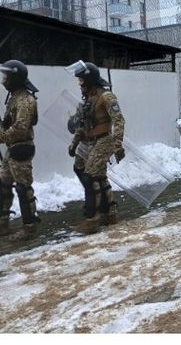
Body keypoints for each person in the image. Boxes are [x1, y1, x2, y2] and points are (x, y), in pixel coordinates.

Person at [0, 60, 41, 240]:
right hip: (13, 149)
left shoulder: (26, 99)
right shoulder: (15, 97)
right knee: (4, 184)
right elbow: (9, 123)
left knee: (23, 188)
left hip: (21, 148)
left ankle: (29, 227)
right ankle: (3, 223)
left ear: (14, 78)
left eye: (5, 76)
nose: (3, 80)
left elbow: (20, 129)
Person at [67, 60, 125, 235]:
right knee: (87, 171)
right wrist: (75, 143)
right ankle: (110, 212)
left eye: (81, 80)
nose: (79, 84)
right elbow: (83, 126)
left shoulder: (106, 96)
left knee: (91, 176)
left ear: (89, 79)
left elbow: (118, 119)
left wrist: (117, 144)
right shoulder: (89, 100)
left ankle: (92, 219)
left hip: (104, 141)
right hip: (89, 142)